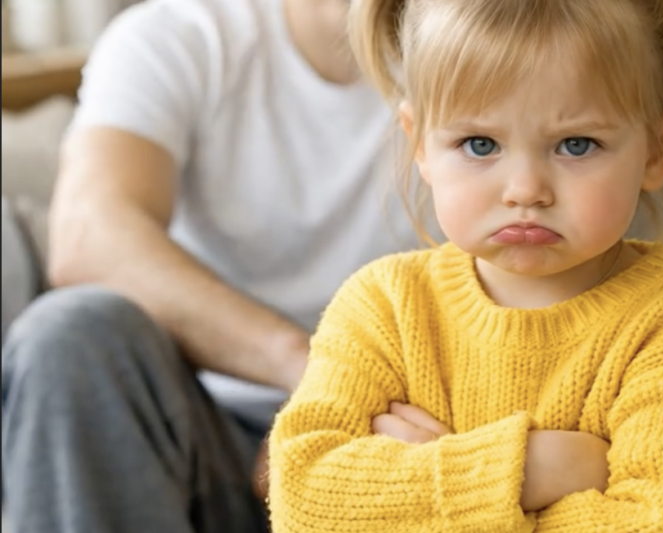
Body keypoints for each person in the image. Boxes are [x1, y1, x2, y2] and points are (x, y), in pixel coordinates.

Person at [267, 0, 663, 531]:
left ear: (658, 147)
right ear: (419, 143)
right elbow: (304, 501)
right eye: (480, 143)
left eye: (576, 145)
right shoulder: (382, 306)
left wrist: (429, 486)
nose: (525, 191)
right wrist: (534, 468)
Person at [0, 0, 433, 531]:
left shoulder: (497, 44)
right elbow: (89, 236)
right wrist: (318, 377)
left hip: (405, 430)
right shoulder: (181, 36)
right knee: (69, 334)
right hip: (209, 427)